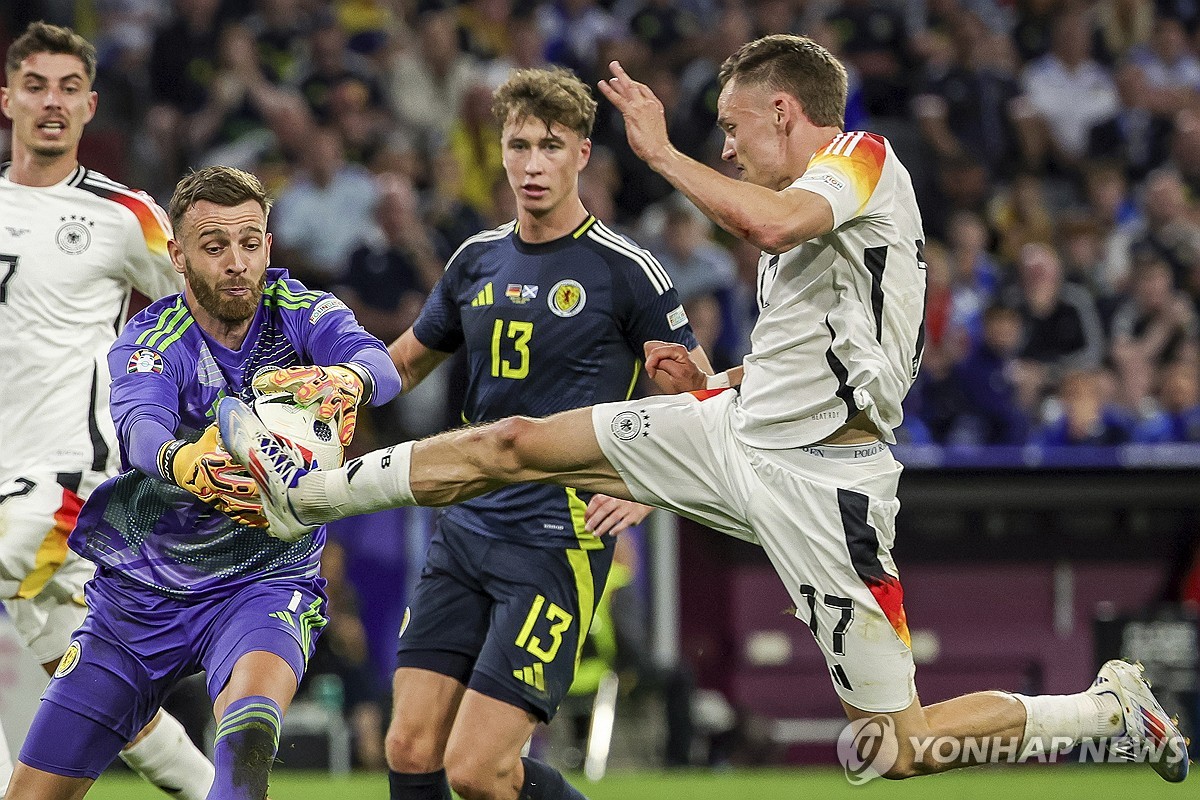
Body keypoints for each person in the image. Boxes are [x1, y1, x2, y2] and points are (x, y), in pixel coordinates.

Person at [222, 35, 1190, 783]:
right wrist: (708, 392)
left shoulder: (864, 163)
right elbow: (800, 353)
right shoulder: (795, 233)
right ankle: (301, 494)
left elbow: (764, 218)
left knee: (897, 748)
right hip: (737, 431)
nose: (725, 143)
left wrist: (662, 150)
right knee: (515, 442)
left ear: (783, 111)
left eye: (732, 126)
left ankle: (1104, 713)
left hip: (828, 488)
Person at [323, 66, 707, 800]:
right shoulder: (475, 260)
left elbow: (703, 395)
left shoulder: (628, 271)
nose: (533, 164)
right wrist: (326, 388)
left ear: (582, 156)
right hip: (465, 525)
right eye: (519, 145)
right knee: (407, 746)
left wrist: (655, 489)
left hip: (555, 540)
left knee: (477, 772)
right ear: (499, 152)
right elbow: (402, 364)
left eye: (551, 147)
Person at [5, 164, 401, 800]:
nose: (236, 261)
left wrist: (346, 382)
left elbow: (379, 363)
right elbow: (140, 429)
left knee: (245, 749)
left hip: (263, 582)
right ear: (180, 259)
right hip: (140, 594)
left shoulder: (301, 311)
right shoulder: (151, 338)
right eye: (214, 247)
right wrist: (188, 463)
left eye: (250, 242)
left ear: (268, 247)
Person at [0, 21, 215, 799]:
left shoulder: (125, 214)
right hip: (5, 481)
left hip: (68, 473)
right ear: (7, 100)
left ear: (90, 106)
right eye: (34, 86)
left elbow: (206, 311)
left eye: (66, 89)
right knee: (98, 686)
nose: (50, 103)